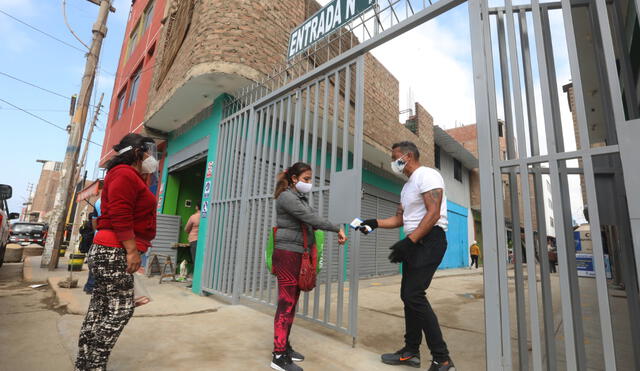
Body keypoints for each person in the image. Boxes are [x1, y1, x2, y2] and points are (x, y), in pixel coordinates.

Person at [359, 141, 455, 371]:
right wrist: (374, 223)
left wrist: (409, 242)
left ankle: (442, 359)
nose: (393, 162)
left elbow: (433, 213)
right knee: (408, 295)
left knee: (414, 295)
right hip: (415, 241)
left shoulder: (427, 175)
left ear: (408, 156)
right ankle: (411, 352)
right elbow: (400, 220)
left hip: (430, 240)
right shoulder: (406, 187)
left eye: (395, 157)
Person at [75, 133, 158, 371]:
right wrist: (132, 251)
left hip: (110, 249)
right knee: (119, 311)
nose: (151, 157)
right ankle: (95, 365)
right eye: (147, 152)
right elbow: (121, 214)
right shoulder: (124, 174)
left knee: (100, 308)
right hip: (115, 250)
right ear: (137, 152)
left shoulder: (129, 176)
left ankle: (85, 364)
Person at [271, 162, 347, 371]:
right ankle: (278, 356)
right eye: (306, 179)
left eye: (310, 179)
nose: (309, 183)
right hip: (287, 254)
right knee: (286, 303)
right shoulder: (286, 197)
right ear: (294, 179)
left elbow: (312, 218)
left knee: (292, 302)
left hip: (297, 253)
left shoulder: (299, 198)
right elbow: (310, 218)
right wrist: (336, 228)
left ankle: (284, 346)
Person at [83, 199, 101, 294]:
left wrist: (96, 232)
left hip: (98, 236)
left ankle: (89, 286)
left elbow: (94, 219)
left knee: (94, 263)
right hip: (108, 237)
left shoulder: (98, 201)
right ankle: (91, 286)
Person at [184, 204, 200, 288]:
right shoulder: (206, 216)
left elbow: (186, 229)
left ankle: (195, 282)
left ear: (197, 207)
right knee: (200, 261)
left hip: (194, 240)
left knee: (195, 261)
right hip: (203, 241)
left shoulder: (194, 217)